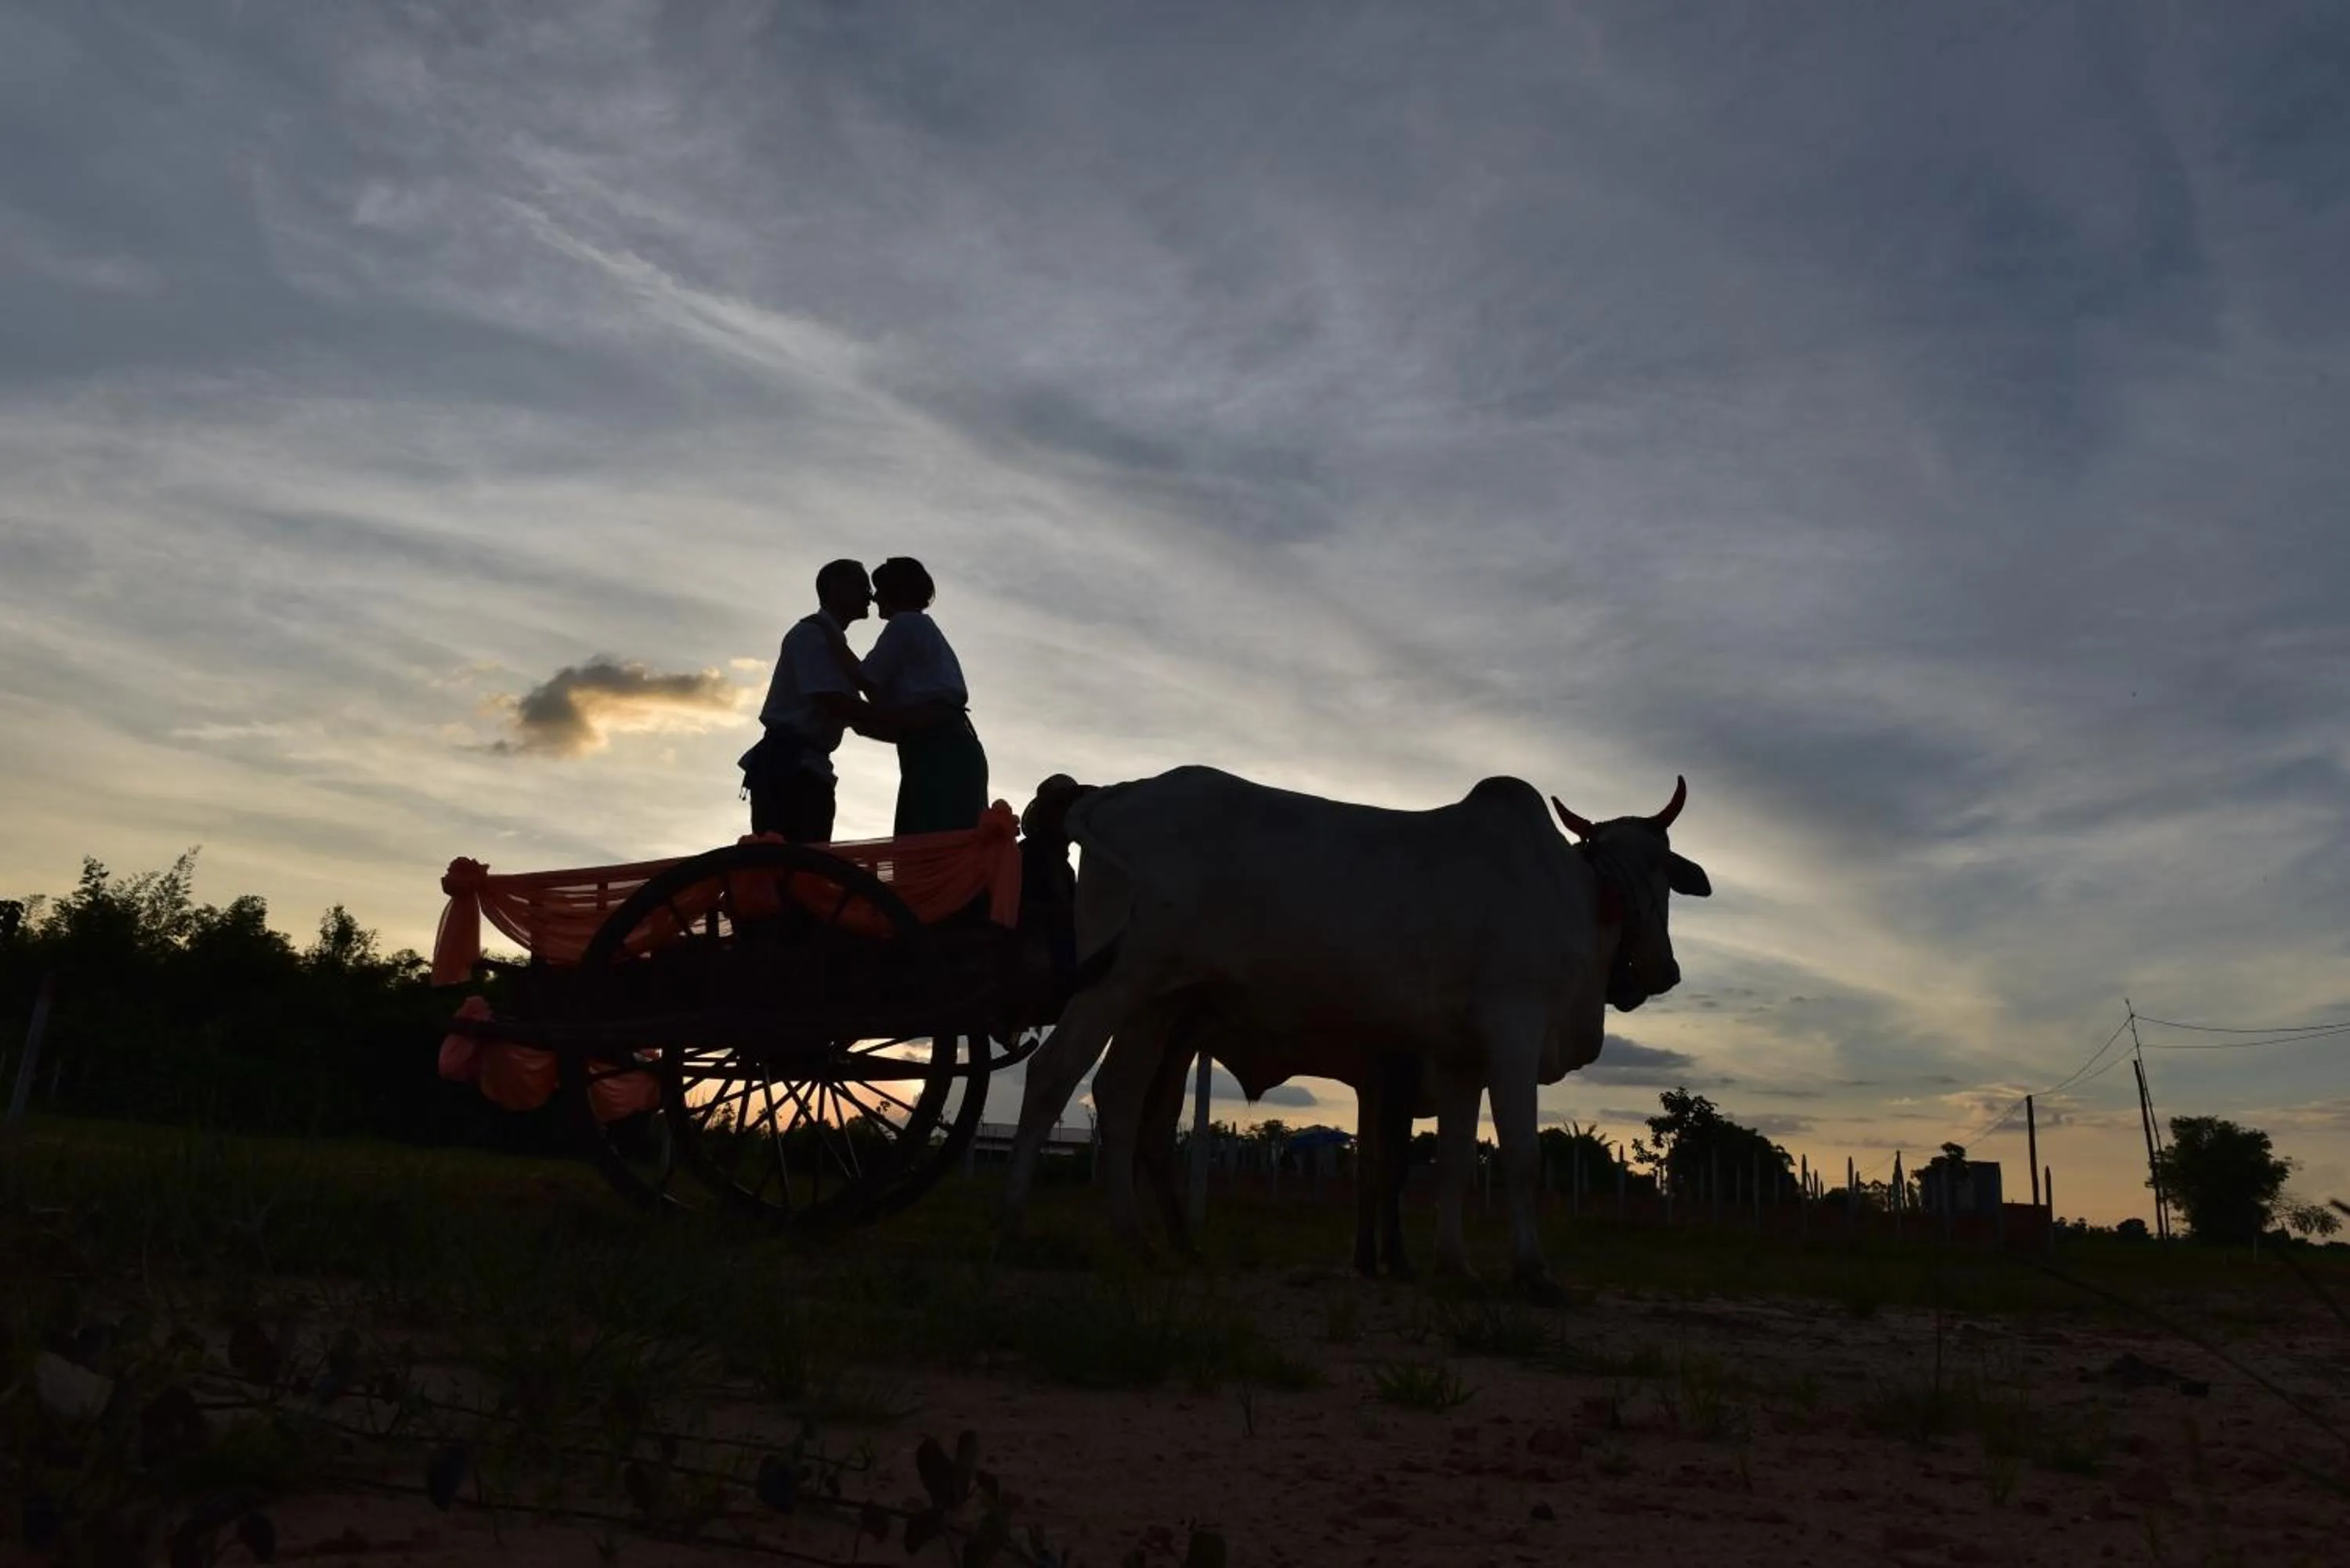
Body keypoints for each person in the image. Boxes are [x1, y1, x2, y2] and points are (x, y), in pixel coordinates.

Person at [740, 559, 885, 843]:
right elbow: (832, 699)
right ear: (836, 588)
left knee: (803, 859)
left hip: (802, 768)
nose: (870, 595)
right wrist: (904, 724)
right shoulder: (811, 635)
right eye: (862, 586)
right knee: (794, 859)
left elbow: (851, 713)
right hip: (790, 771)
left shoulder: (827, 640)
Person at [861, 556, 989, 834]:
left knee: (929, 841)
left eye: (880, 589)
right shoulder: (924, 629)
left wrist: (830, 641)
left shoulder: (904, 624)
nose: (874, 598)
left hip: (939, 753)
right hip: (948, 748)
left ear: (896, 591)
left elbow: (866, 677)